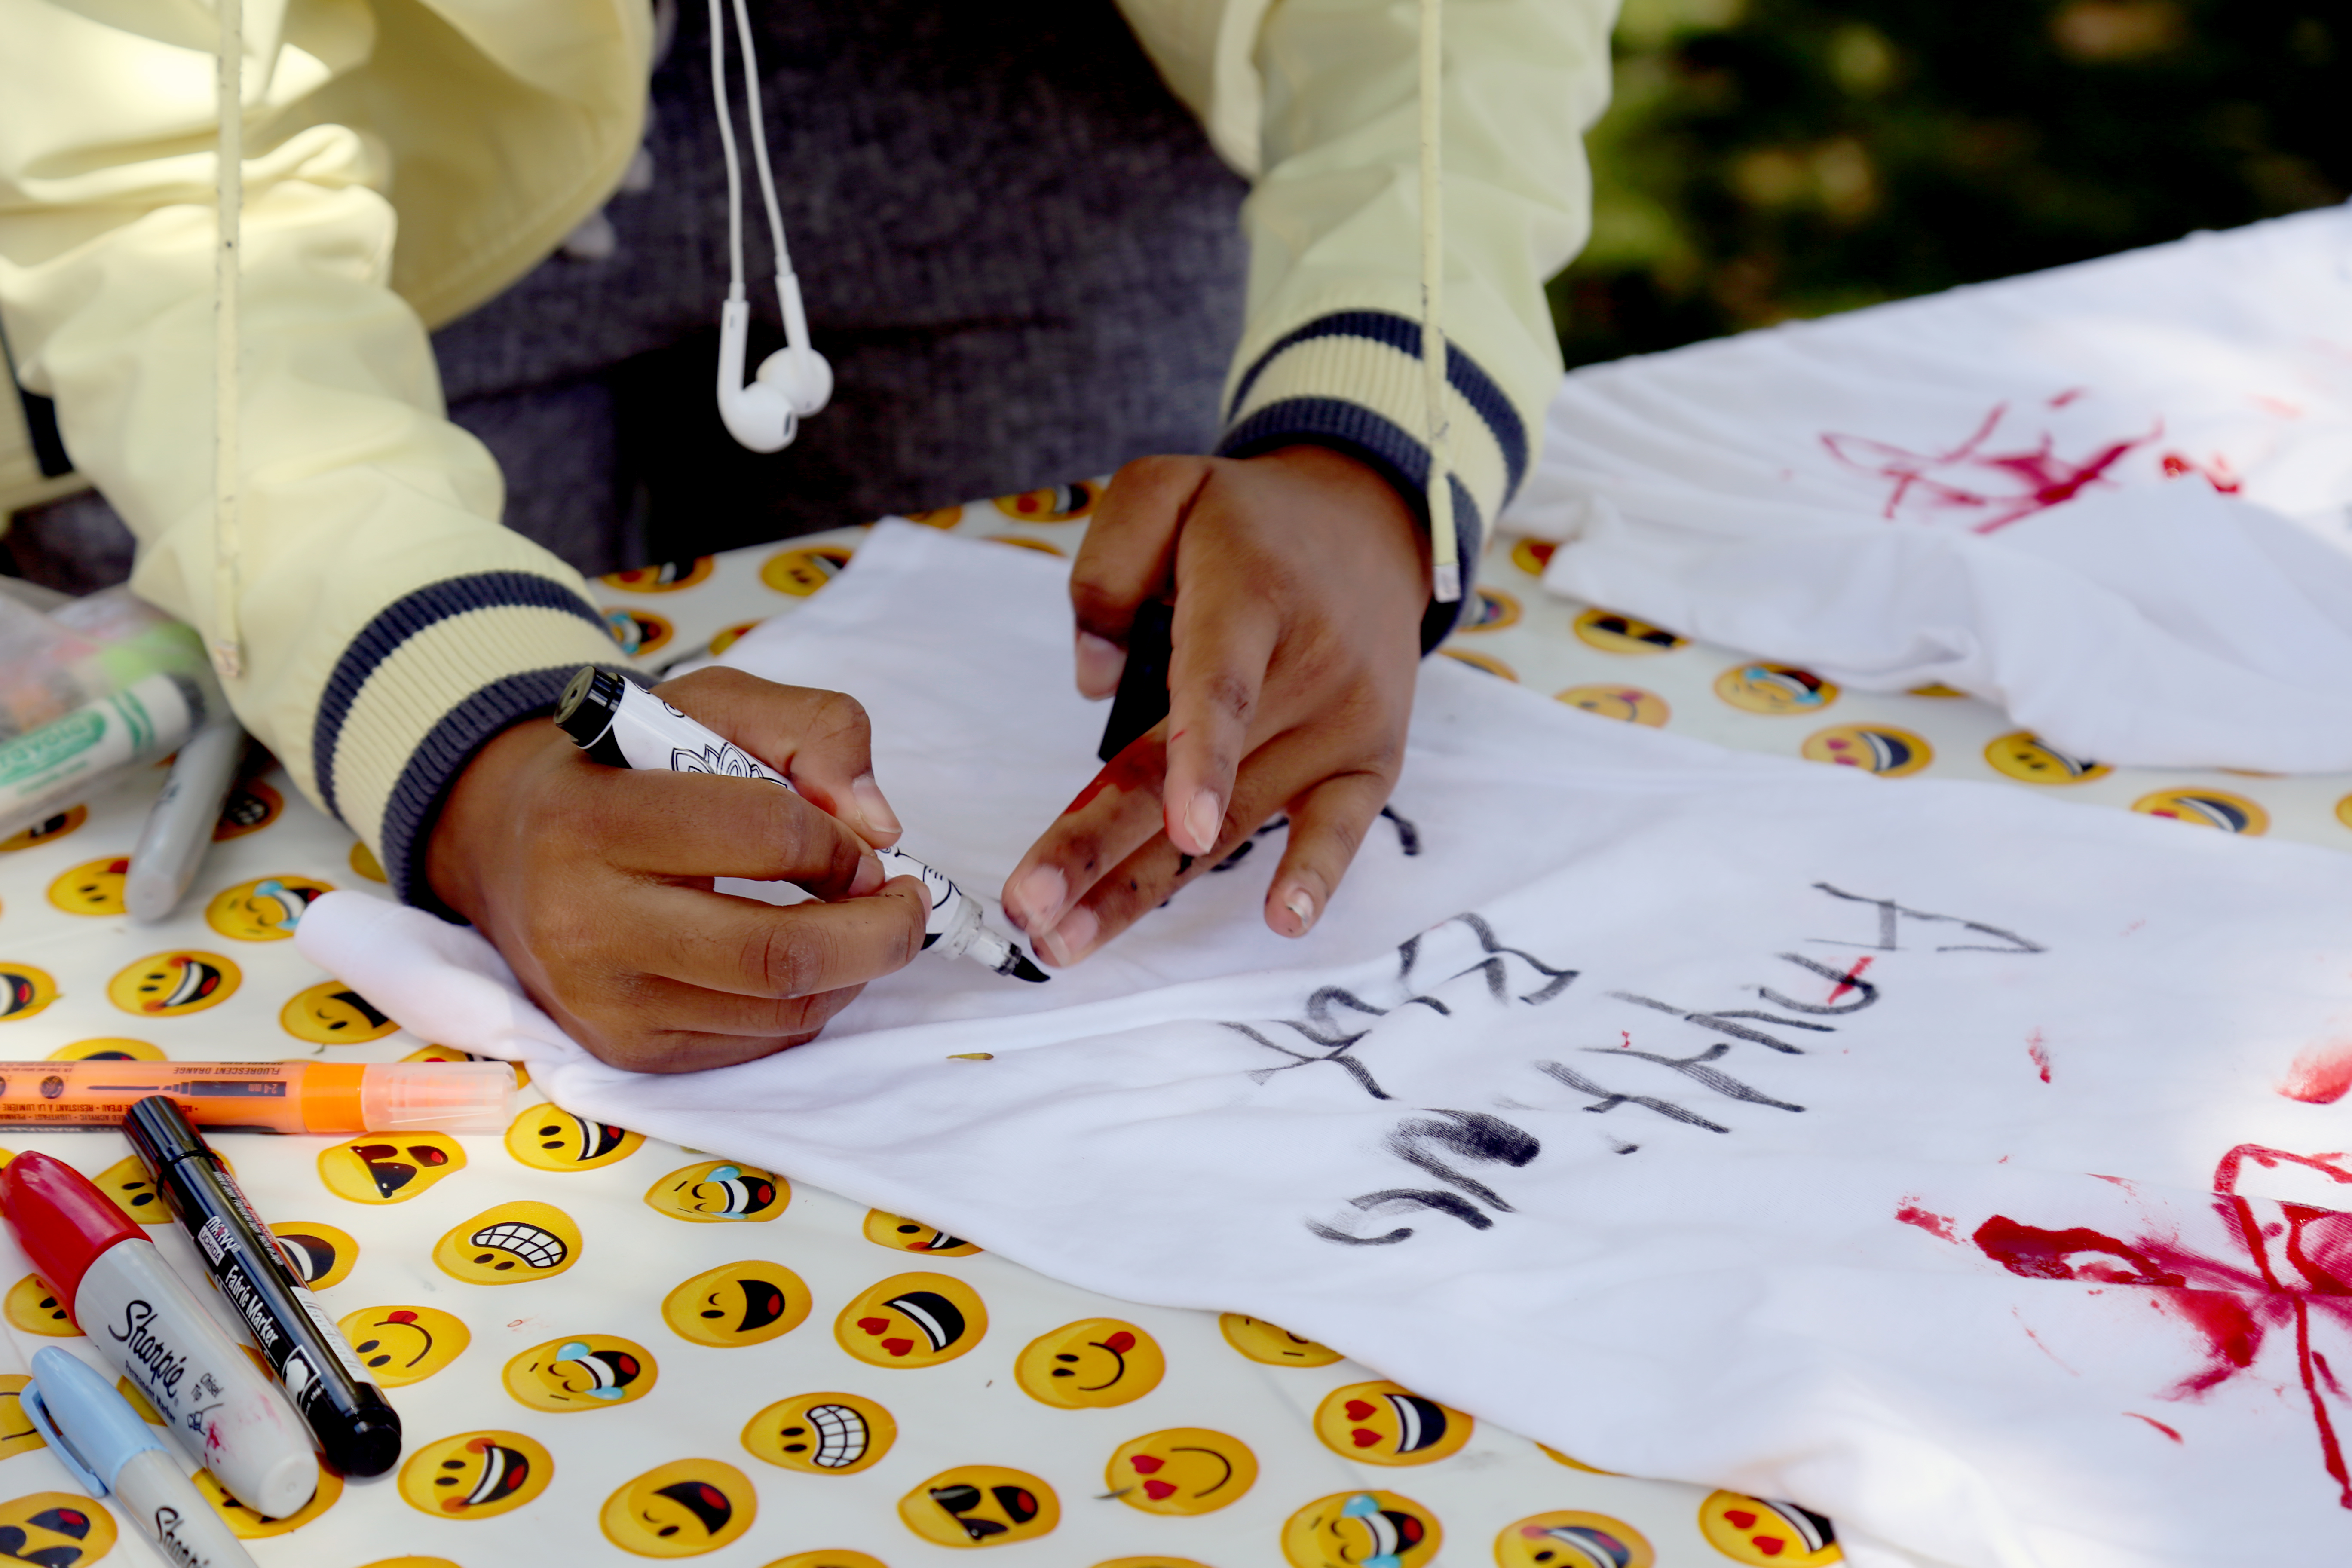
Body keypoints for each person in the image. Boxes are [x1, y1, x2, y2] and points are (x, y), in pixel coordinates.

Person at [0, 0, 1610, 1070]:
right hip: (336, 172)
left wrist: (1374, 437)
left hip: (1056, 98)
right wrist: (475, 750)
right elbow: (139, 177)